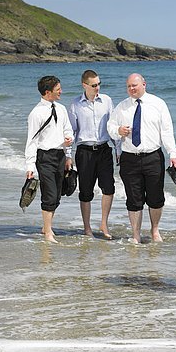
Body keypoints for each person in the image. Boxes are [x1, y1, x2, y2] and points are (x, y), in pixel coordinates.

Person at [107, 73, 176, 243]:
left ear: (144, 84)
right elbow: (110, 126)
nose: (131, 89)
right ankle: (136, 234)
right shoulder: (122, 107)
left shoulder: (158, 104)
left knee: (155, 198)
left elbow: (167, 131)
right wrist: (118, 131)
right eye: (129, 86)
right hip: (129, 158)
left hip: (153, 157)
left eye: (135, 85)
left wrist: (173, 154)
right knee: (133, 199)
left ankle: (155, 230)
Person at [68, 69, 120, 239]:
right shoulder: (75, 105)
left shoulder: (107, 101)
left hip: (104, 150)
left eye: (99, 84)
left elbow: (112, 128)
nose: (97, 87)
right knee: (85, 192)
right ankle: (87, 227)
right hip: (84, 152)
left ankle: (104, 224)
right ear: (84, 85)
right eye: (94, 85)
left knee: (109, 188)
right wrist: (68, 155)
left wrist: (118, 150)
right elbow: (71, 132)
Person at [25, 76, 74, 244]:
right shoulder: (36, 113)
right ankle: (48, 233)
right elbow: (31, 141)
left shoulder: (61, 108)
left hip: (60, 156)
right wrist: (30, 166)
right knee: (50, 195)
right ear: (48, 92)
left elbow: (68, 130)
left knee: (58, 195)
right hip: (44, 157)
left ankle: (46, 227)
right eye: (58, 89)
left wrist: (68, 153)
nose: (61, 91)